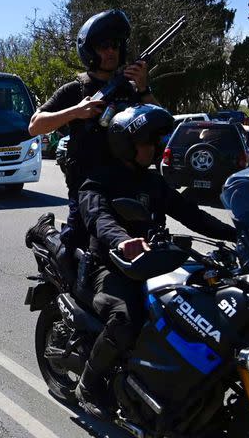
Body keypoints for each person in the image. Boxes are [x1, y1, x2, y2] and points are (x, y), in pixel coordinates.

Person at [26, 105, 237, 420]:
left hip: (146, 263)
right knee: (127, 317)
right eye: (148, 142)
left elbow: (191, 214)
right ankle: (89, 384)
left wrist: (237, 233)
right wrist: (121, 240)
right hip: (103, 266)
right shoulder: (98, 180)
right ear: (126, 144)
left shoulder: (152, 182)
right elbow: (98, 216)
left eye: (155, 142)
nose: (155, 148)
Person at [27, 9, 156, 252]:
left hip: (125, 185)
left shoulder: (130, 89)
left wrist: (143, 88)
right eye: (104, 46)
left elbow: (161, 123)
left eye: (116, 46)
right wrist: (76, 111)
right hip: (86, 189)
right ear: (90, 51)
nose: (111, 52)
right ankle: (44, 231)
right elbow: (35, 125)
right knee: (73, 249)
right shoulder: (74, 90)